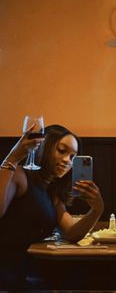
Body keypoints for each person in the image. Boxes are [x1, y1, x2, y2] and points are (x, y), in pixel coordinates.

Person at [0, 124, 104, 289]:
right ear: (44, 147)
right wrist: (12, 159)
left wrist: (96, 210)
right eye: (62, 150)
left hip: (30, 272)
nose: (67, 161)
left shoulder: (52, 192)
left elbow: (71, 232)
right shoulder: (20, 175)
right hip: (8, 274)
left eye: (72, 157)